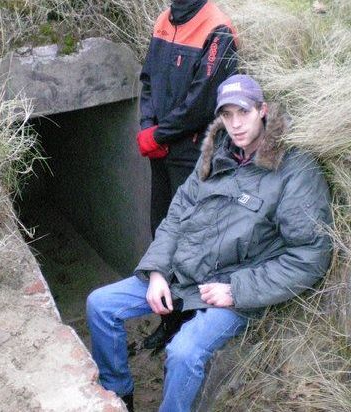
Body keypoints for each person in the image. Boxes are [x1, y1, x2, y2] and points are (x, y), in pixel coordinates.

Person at [88, 74, 333, 412]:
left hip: (237, 289)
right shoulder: (214, 154)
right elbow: (176, 216)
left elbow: (309, 255)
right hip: (185, 273)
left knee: (184, 351)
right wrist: (157, 271)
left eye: (243, 113)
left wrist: (237, 290)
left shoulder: (295, 170)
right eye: (227, 115)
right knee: (100, 305)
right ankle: (120, 394)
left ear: (262, 111)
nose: (235, 124)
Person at [135, 0, 240, 351]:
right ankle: (169, 320)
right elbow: (148, 80)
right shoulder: (164, 20)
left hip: (190, 154)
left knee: (191, 240)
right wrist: (148, 127)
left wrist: (160, 135)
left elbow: (201, 102)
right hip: (161, 149)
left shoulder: (217, 29)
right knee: (160, 229)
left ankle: (191, 325)